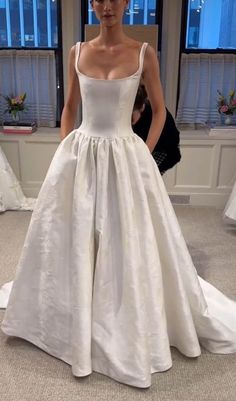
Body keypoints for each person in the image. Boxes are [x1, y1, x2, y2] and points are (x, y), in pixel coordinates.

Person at [1, 0, 236, 389]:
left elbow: (160, 111)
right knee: (73, 236)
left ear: (126, 3)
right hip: (82, 155)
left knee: (126, 237)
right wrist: (66, 154)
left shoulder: (143, 53)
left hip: (126, 156)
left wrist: (142, 153)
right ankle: (74, 309)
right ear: (92, 4)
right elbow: (69, 108)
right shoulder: (77, 51)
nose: (106, 6)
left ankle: (121, 315)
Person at [132, 85, 181, 175]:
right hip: (145, 151)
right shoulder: (135, 113)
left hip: (164, 152)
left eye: (131, 117)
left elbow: (174, 155)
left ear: (142, 107)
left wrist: (153, 172)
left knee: (145, 181)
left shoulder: (154, 116)